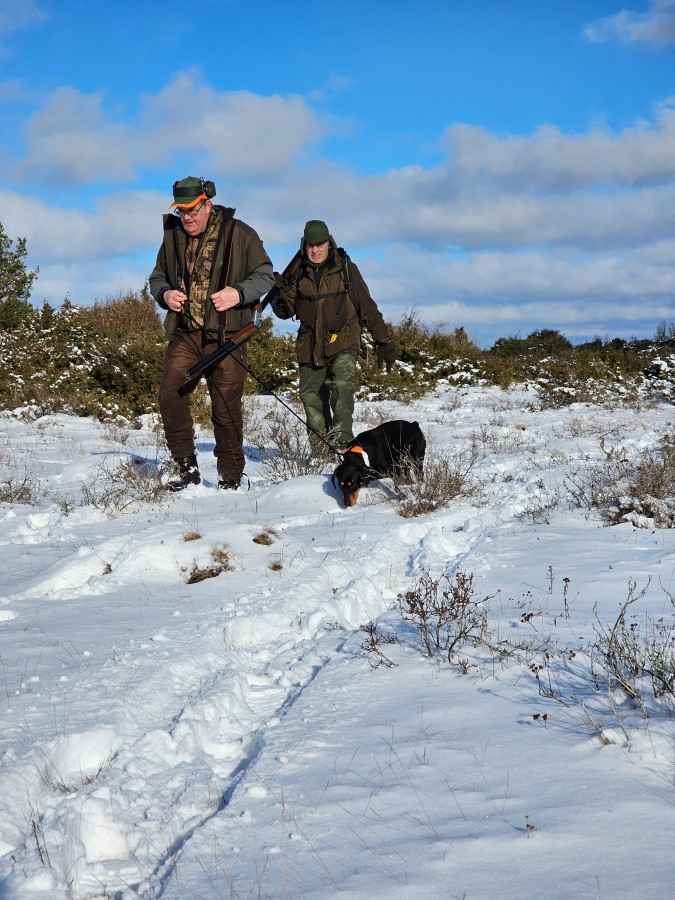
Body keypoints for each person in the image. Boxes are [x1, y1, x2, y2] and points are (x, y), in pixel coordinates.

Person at [149, 177, 274, 491]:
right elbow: (157, 277)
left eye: (192, 210)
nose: (187, 217)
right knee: (169, 395)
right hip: (186, 333)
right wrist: (164, 294)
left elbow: (265, 275)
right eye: (181, 211)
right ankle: (186, 468)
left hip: (227, 336)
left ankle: (231, 478)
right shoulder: (173, 237)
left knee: (225, 408)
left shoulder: (240, 233)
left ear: (207, 203)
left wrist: (238, 293)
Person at [270, 219, 396, 449]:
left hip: (343, 340)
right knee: (311, 396)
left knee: (341, 384)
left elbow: (366, 306)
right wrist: (279, 291)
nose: (315, 250)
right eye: (310, 245)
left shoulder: (346, 269)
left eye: (319, 244)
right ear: (304, 245)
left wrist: (383, 340)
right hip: (309, 344)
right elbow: (285, 312)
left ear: (329, 243)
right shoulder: (297, 273)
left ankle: (343, 444)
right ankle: (321, 451)